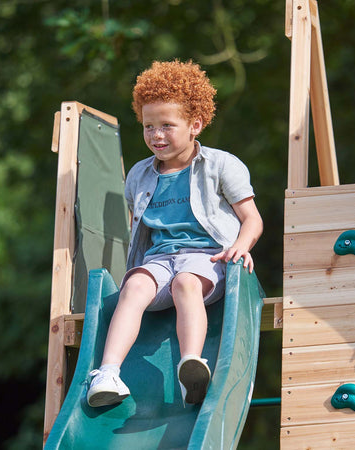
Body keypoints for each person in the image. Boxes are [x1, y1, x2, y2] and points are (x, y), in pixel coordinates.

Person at [87, 60, 263, 408]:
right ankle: (107, 373)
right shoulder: (139, 175)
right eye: (149, 126)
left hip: (207, 259)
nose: (156, 135)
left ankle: (191, 366)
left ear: (195, 124)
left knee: (186, 281)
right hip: (159, 261)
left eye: (167, 125)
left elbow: (252, 219)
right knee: (133, 285)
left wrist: (241, 247)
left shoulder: (220, 165)